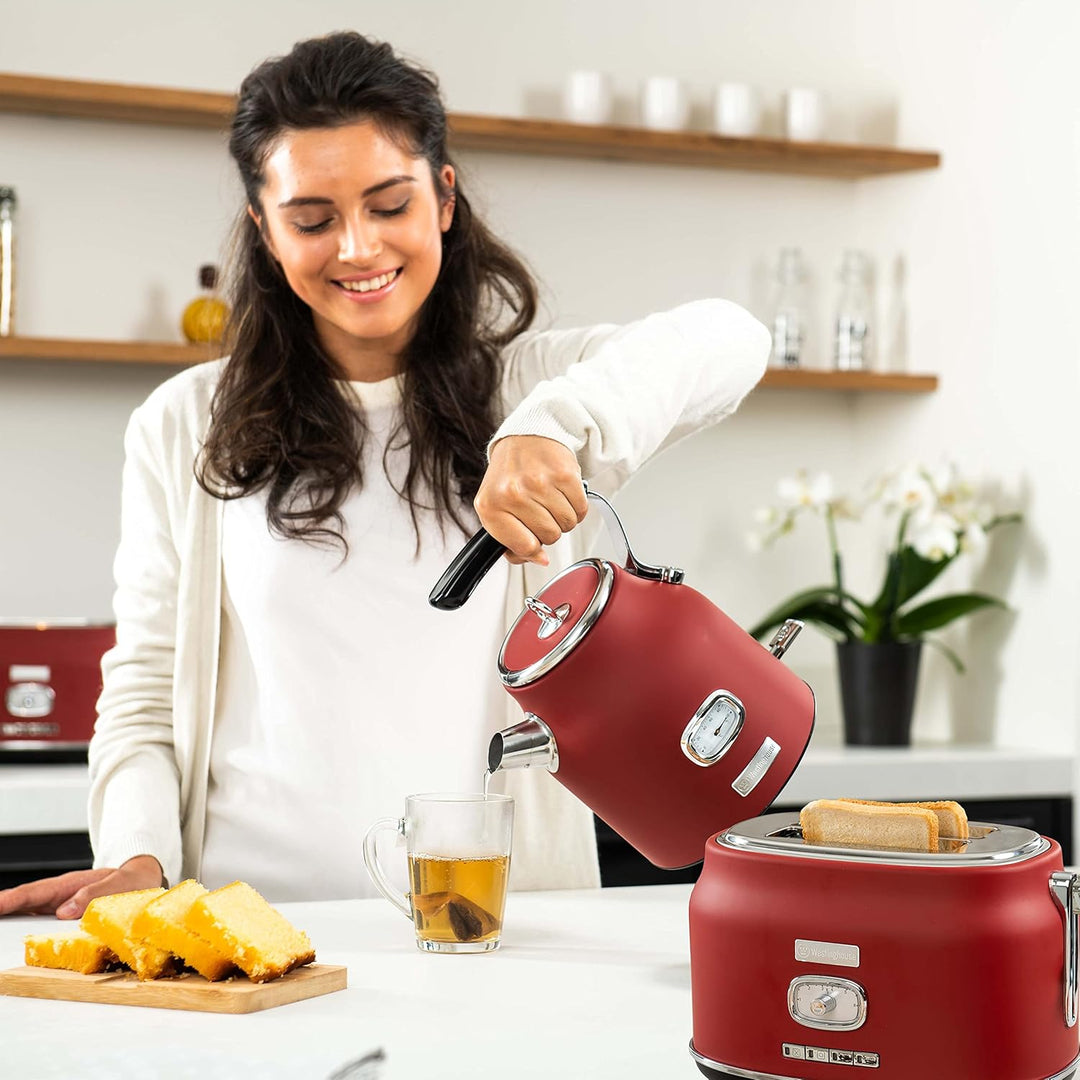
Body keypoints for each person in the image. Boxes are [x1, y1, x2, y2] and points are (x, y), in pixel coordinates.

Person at [0, 31, 768, 919]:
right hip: (252, 932)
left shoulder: (534, 390)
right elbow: (143, 690)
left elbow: (730, 338)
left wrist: (550, 431)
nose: (357, 248)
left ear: (444, 196)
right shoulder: (185, 424)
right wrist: (137, 854)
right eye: (313, 219)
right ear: (264, 229)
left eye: (388, 204)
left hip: (497, 928)